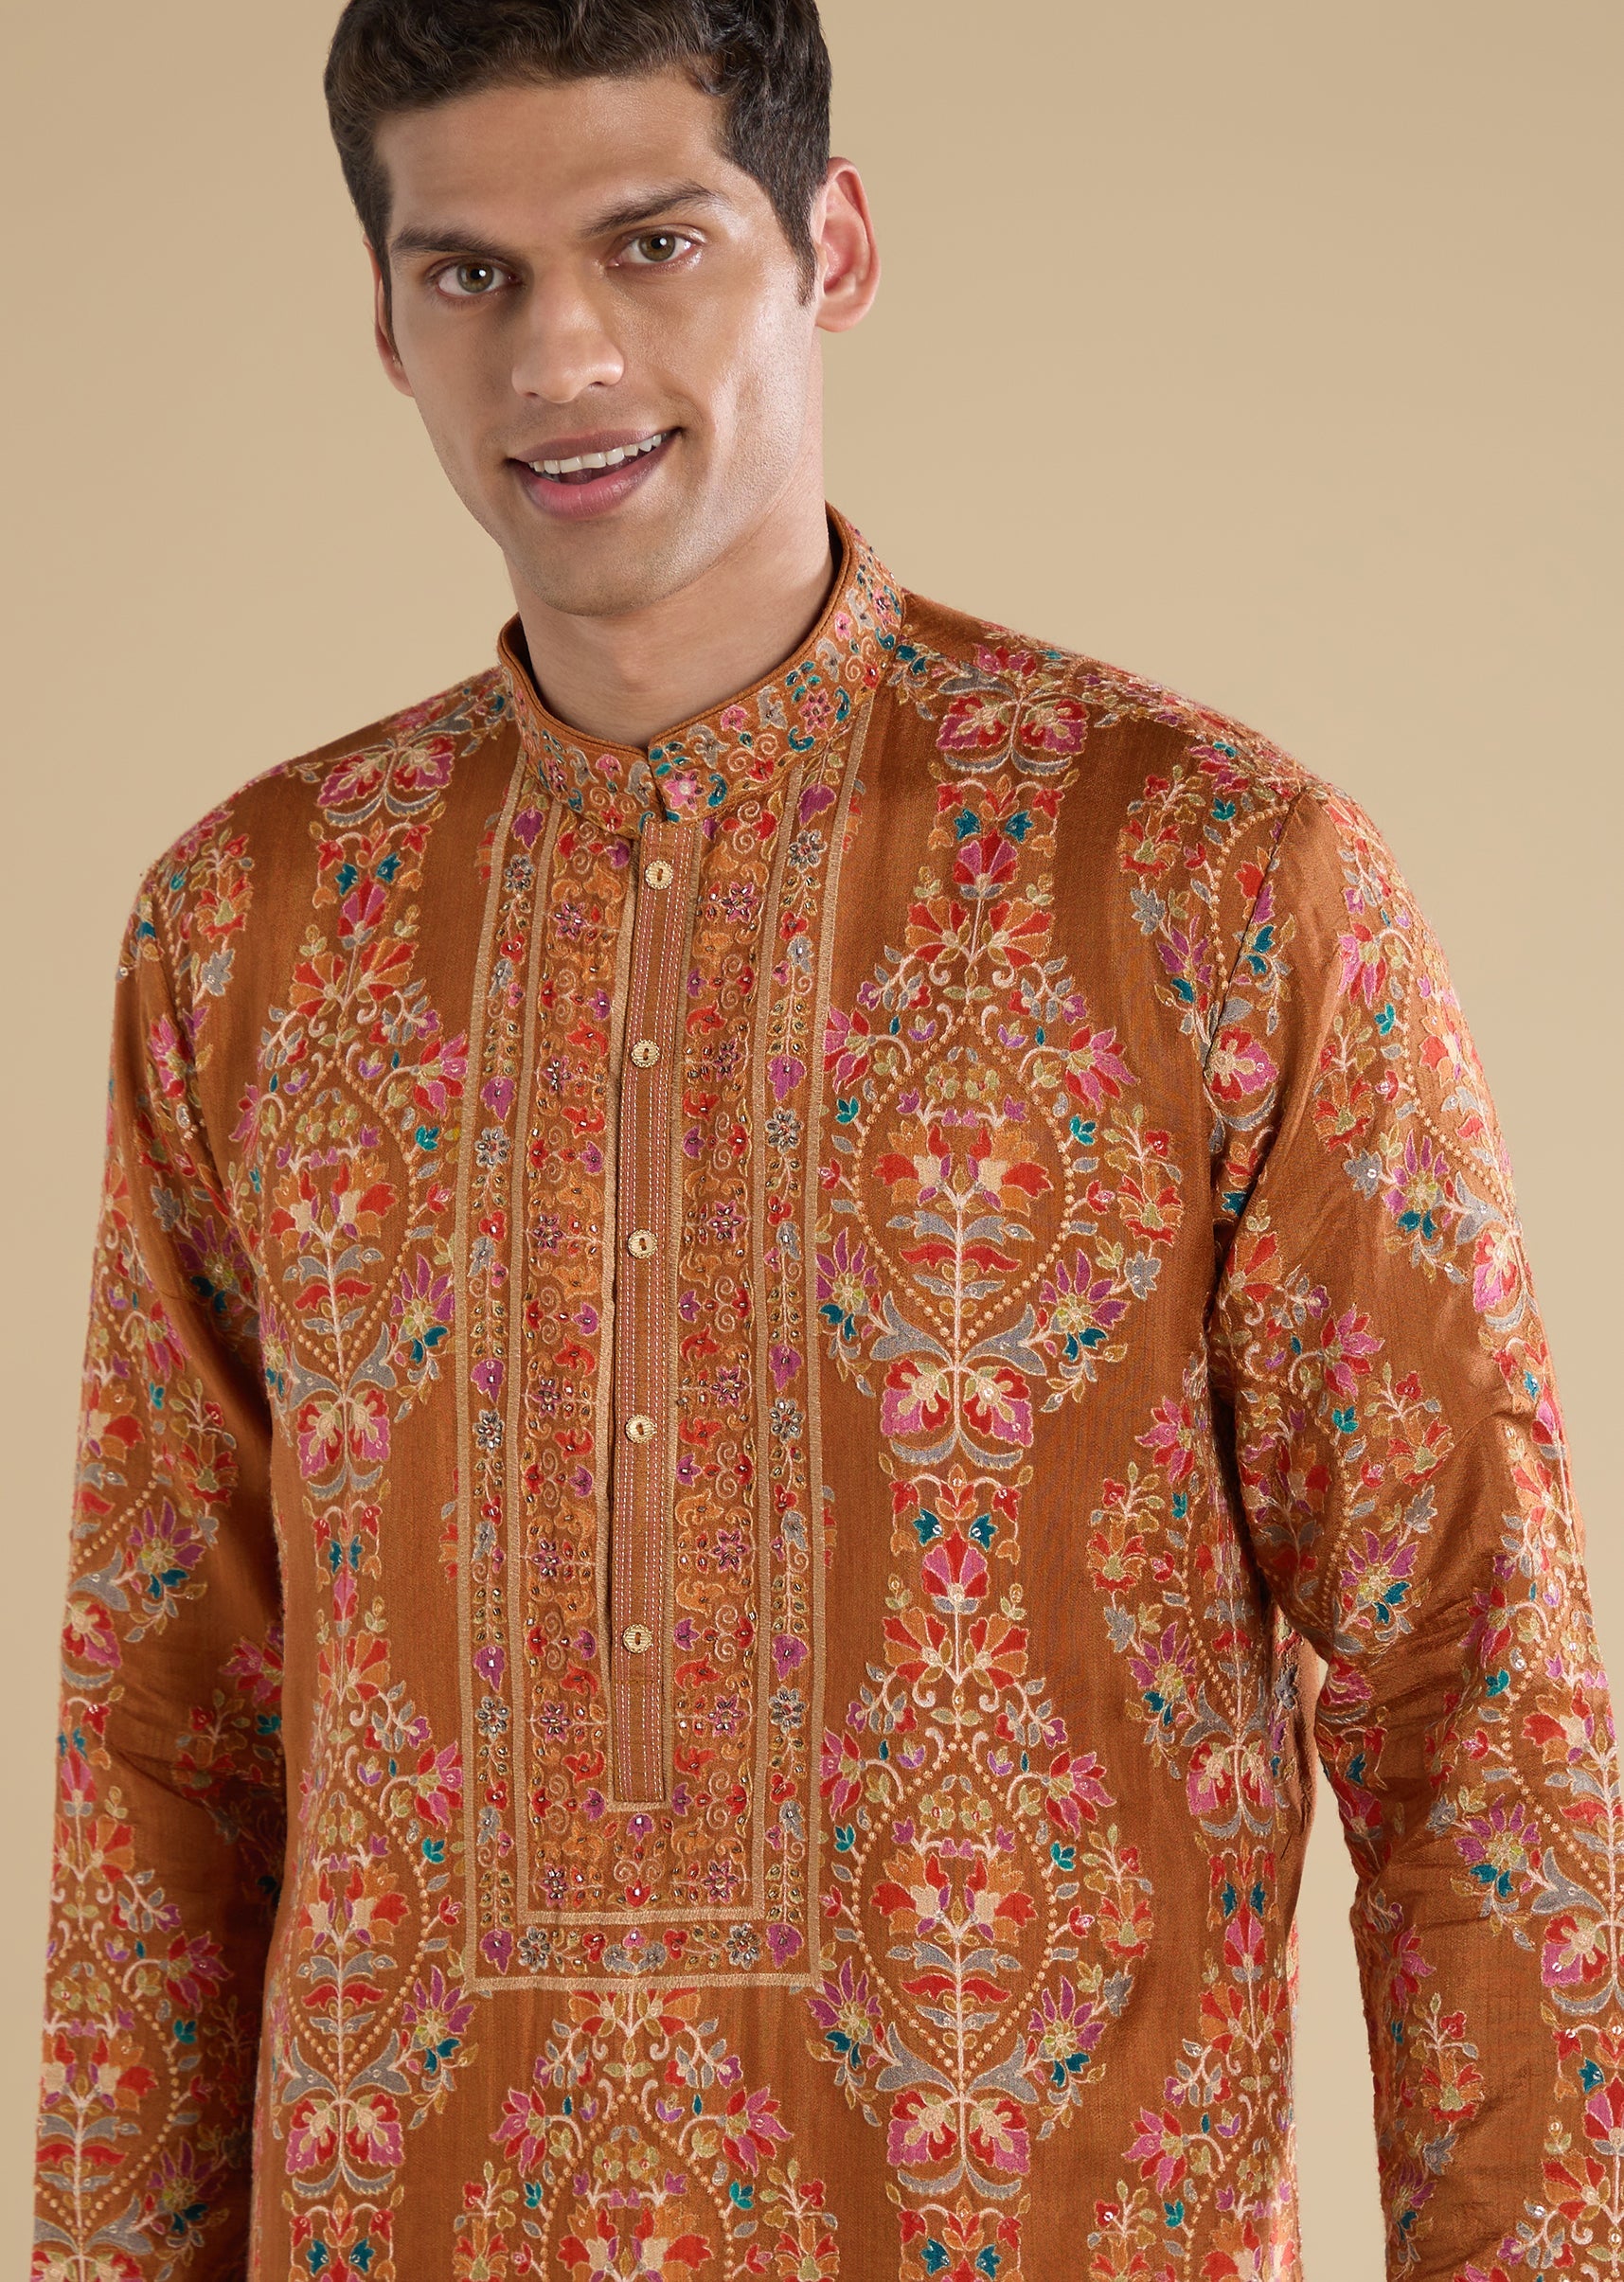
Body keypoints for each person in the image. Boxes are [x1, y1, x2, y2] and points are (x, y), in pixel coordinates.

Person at [29, 3, 1615, 2276]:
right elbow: (168, 1747)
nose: (561, 355)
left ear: (833, 246)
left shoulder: (1205, 877)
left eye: (652, 243)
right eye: (469, 273)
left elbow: (1474, 1688)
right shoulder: (251, 932)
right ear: (384, 324)